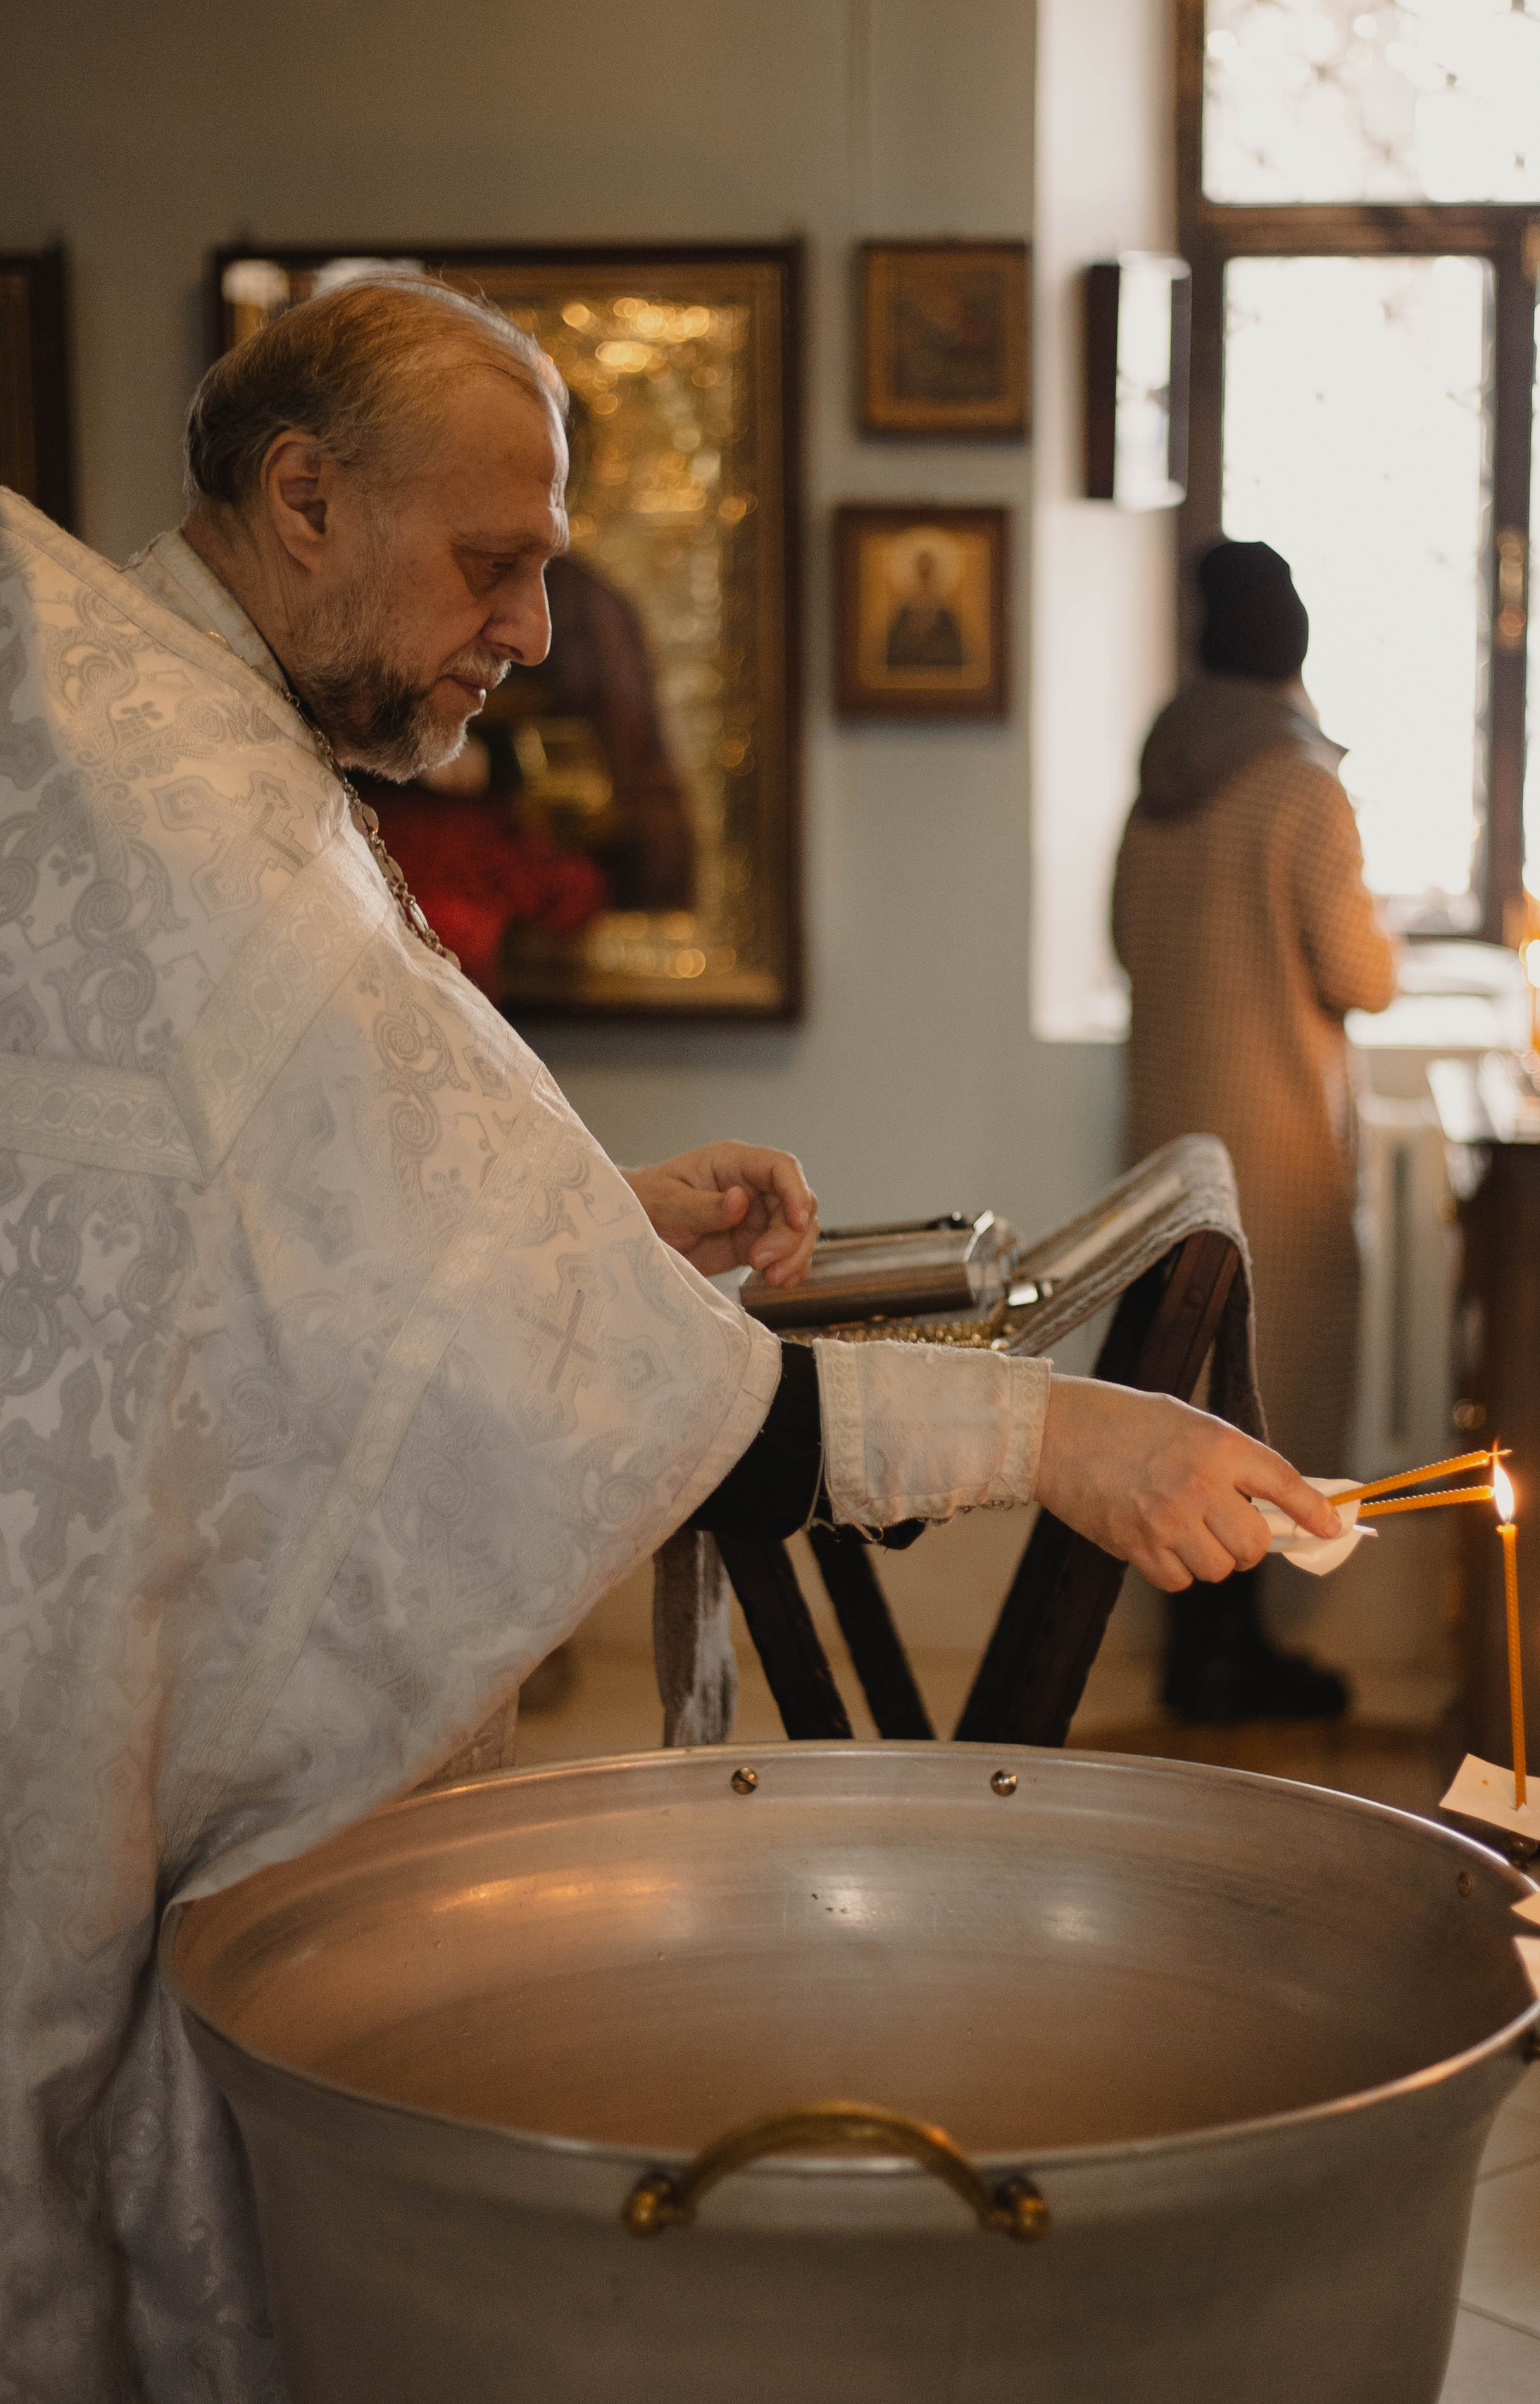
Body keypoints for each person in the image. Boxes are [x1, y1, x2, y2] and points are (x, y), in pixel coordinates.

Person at [0, 276, 1340, 2398]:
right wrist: (1057, 1439)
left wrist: (590, 1217)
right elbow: (594, 1390)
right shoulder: (202, 806)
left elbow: (250, 1241)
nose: (536, 627)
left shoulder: (196, 724)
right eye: (496, 559)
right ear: (303, 497)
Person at [1112, 538, 1398, 1724]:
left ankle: (1198, 1652)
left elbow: (1125, 941)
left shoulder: (1164, 771)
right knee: (1265, 1390)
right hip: (1272, 1137)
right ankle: (1234, 1661)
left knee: (1185, 1388)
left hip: (1169, 1139)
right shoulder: (1299, 783)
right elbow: (1360, 971)